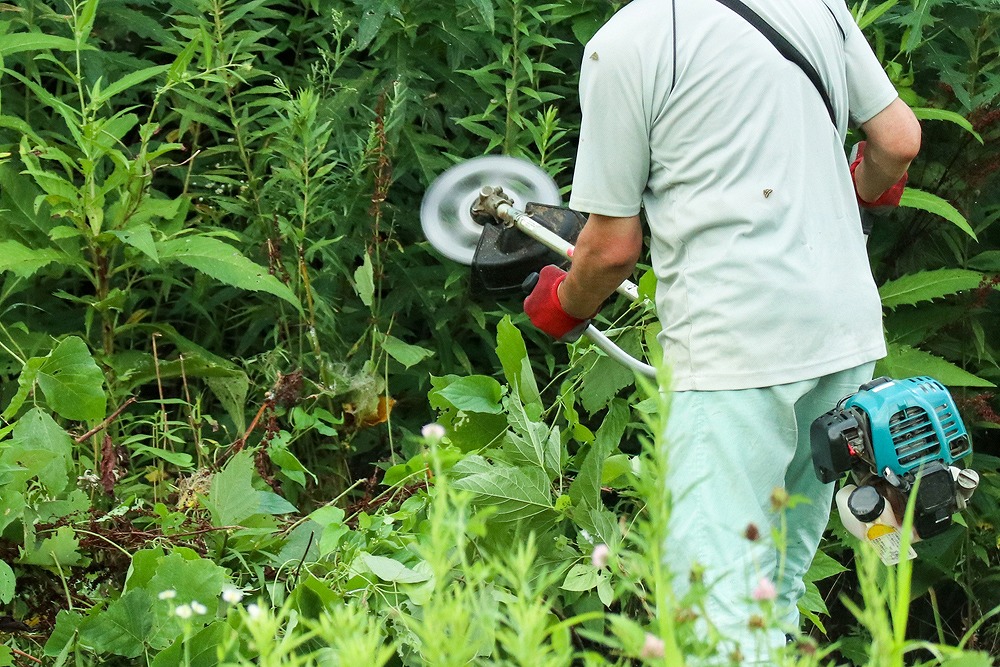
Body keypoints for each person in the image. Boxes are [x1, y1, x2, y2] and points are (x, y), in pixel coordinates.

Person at [523, 0, 921, 662]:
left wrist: (564, 302)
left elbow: (612, 248)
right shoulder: (813, 3)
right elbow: (897, 141)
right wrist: (864, 192)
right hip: (842, 337)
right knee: (775, 585)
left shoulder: (625, 44)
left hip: (738, 354)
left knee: (713, 609)